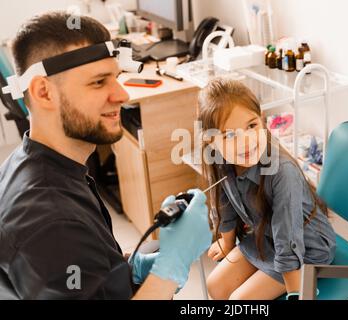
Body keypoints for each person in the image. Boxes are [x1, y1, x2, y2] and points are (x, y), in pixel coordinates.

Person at [0, 12, 211, 299]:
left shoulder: (40, 162)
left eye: (116, 77)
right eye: (99, 82)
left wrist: (128, 268)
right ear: (44, 92)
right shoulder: (50, 221)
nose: (121, 95)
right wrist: (170, 268)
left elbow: (85, 263)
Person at [200, 78, 336, 300]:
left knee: (238, 302)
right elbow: (226, 204)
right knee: (215, 285)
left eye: (251, 126)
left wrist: (296, 294)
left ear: (262, 122)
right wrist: (226, 241)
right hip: (266, 237)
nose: (246, 141)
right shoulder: (222, 160)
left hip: (306, 248)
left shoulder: (283, 172)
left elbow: (289, 240)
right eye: (230, 135)